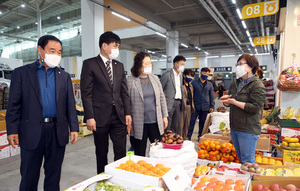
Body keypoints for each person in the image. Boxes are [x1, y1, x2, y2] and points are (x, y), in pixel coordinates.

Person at [6, 35, 79, 191]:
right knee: (28, 176)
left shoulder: (64, 76)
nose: (56, 55)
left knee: (53, 175)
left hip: (57, 131)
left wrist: (74, 127)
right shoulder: (22, 73)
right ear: (40, 50)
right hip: (31, 131)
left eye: (59, 52)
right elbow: (13, 105)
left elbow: (70, 104)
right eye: (52, 50)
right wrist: (12, 130)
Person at [80, 31, 132, 174]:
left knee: (121, 151)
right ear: (104, 46)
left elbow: (124, 92)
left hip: (119, 116)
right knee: (101, 153)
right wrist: (89, 116)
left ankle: (119, 178)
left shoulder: (119, 66)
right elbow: (86, 93)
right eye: (115, 46)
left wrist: (128, 112)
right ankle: (102, 180)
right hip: (99, 116)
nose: (117, 50)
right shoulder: (90, 64)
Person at [219, 54, 266, 164]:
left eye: (241, 64)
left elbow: (255, 107)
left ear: (251, 66)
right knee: (240, 158)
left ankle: (251, 180)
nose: (238, 67)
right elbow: (231, 99)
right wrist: (226, 102)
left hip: (248, 129)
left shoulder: (257, 85)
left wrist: (235, 102)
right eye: (237, 64)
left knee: (247, 161)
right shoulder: (236, 83)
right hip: (235, 127)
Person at [127, 52, 168, 156]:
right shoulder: (130, 81)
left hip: (155, 121)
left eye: (150, 63)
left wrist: (165, 116)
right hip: (138, 123)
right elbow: (126, 102)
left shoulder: (155, 78)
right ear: (138, 65)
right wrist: (128, 121)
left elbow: (162, 97)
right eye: (146, 63)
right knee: (139, 152)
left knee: (158, 151)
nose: (149, 65)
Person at [187, 67, 214, 140]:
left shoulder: (210, 84)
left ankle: (200, 136)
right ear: (200, 73)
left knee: (203, 122)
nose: (206, 75)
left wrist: (212, 106)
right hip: (195, 106)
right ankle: (188, 136)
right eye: (204, 73)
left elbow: (211, 95)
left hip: (205, 106)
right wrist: (190, 105)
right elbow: (190, 94)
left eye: (207, 74)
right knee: (191, 122)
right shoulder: (194, 83)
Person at [160, 55, 185, 133]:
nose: (182, 66)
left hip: (178, 102)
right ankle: (165, 141)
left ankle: (173, 141)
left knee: (175, 124)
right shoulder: (167, 75)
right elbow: (160, 90)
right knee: (168, 124)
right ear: (175, 64)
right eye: (181, 64)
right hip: (169, 103)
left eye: (183, 64)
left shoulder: (180, 75)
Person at [178, 69, 195, 139]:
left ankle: (184, 139)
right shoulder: (180, 85)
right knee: (180, 126)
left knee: (187, 125)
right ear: (184, 75)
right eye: (188, 75)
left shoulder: (191, 86)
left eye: (191, 76)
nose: (190, 77)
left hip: (189, 107)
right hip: (182, 107)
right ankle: (179, 139)